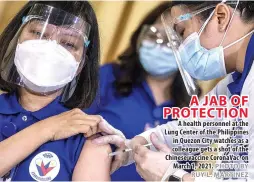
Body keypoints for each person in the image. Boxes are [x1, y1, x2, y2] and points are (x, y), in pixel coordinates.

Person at [93, 0, 254, 181]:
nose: (182, 49)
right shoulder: (235, 83)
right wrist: (134, 146)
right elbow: (191, 131)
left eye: (182, 32)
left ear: (221, 17)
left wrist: (171, 176)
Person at [86, 2, 199, 181]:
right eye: (155, 36)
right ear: (141, 36)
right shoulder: (107, 77)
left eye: (173, 40)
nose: (162, 46)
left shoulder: (193, 106)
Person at [0, 1, 112, 181]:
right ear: (17, 37)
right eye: (39, 33)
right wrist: (46, 129)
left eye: (68, 43)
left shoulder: (87, 140)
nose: (49, 48)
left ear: (81, 64)